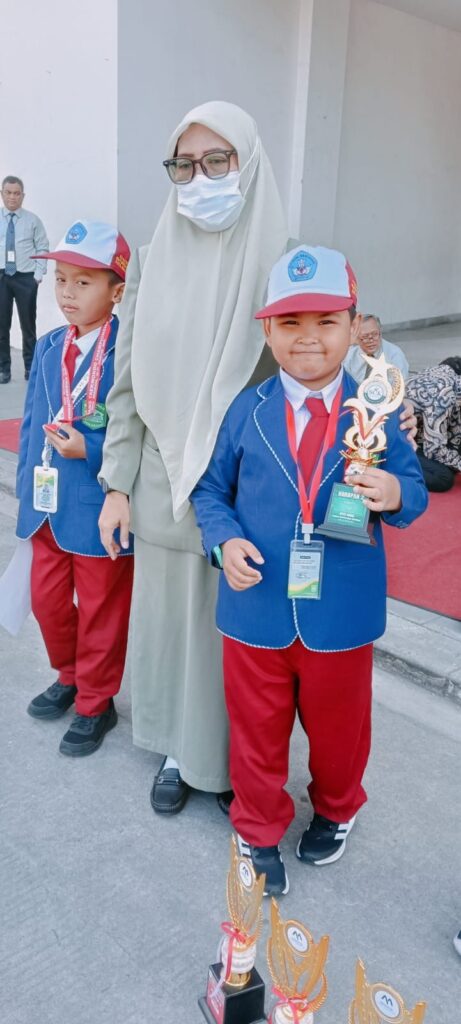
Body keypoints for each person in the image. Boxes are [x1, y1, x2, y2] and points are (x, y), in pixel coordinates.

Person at [191, 245, 428, 895]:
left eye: (326, 321)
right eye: (290, 323)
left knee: (339, 729)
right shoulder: (246, 410)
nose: (308, 338)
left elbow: (414, 492)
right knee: (255, 728)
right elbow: (209, 492)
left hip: (341, 609)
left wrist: (392, 492)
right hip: (255, 604)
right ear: (267, 331)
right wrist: (223, 542)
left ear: (355, 326)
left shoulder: (377, 410)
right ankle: (257, 827)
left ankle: (336, 807)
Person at [97, 101, 288, 812]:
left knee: (233, 640)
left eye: (217, 161)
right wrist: (117, 484)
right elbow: (125, 379)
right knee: (172, 629)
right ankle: (179, 751)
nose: (200, 178)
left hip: (245, 492)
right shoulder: (153, 258)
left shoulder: (282, 259)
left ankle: (236, 764)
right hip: (161, 483)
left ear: (249, 161)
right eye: (184, 164)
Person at [17, 220, 134, 756]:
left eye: (83, 282)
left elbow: (138, 431)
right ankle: (69, 674)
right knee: (47, 603)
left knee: (103, 610)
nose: (67, 292)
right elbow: (30, 423)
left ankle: (95, 702)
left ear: (117, 291)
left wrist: (91, 448)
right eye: (61, 279)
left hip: (98, 505)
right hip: (46, 504)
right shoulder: (47, 346)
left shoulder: (127, 354)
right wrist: (26, 492)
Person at [0, 175, 49, 383]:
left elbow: (43, 247)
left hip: (25, 278)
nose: (12, 197)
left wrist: (37, 275)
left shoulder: (32, 220)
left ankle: (30, 367)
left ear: (23, 196)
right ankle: (3, 369)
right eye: (8, 192)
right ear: (2, 194)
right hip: (2, 277)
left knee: (28, 326)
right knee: (1, 326)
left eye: (17, 193)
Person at [405, 357, 461, 492]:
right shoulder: (444, 392)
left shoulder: (435, 373)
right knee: (444, 477)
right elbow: (433, 450)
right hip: (391, 442)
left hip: (411, 435)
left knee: (450, 461)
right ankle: (390, 469)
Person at [344, 313, 409, 384]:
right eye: (365, 336)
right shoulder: (349, 355)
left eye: (375, 334)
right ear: (356, 337)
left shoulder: (394, 355)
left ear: (380, 333)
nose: (371, 340)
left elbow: (400, 385)